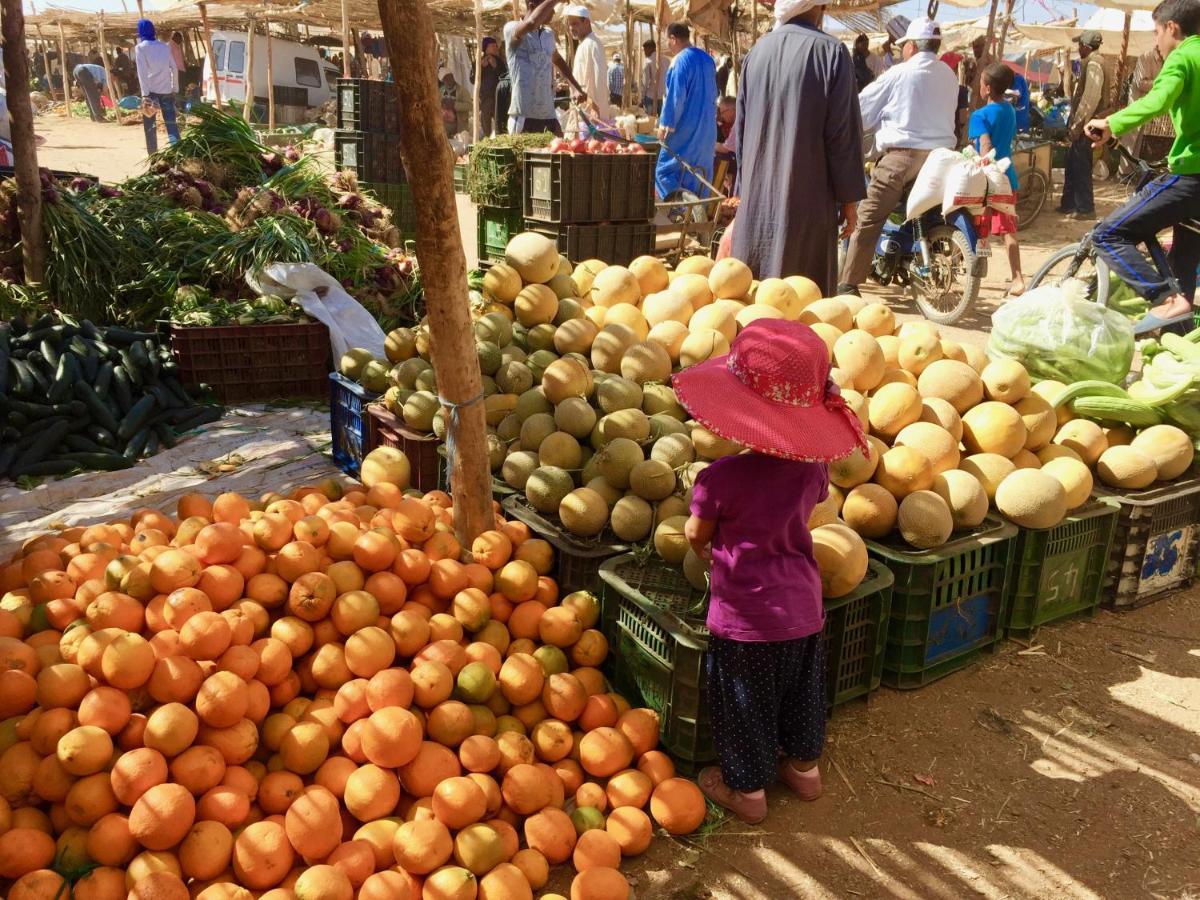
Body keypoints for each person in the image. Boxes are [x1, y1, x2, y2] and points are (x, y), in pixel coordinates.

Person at [673, 318, 868, 825]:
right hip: (803, 606)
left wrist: (704, 552)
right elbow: (807, 504)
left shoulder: (720, 478)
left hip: (747, 620)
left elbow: (696, 535)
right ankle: (805, 771)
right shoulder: (814, 470)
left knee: (744, 705)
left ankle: (747, 792)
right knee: (802, 691)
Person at [731, 0, 866, 294]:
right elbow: (842, 136)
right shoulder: (832, 52)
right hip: (807, 203)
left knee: (754, 299)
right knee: (803, 302)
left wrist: (744, 190)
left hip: (758, 204)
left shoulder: (756, 53)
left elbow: (740, 134)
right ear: (821, 8)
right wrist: (850, 199)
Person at [1085, 0, 1200, 333]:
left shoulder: (1183, 55)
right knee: (1183, 264)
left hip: (1193, 175)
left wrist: (1111, 124)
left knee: (1107, 233)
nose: (1156, 41)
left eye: (1156, 32)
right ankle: (1180, 346)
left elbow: (1156, 100)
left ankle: (1164, 299)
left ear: (1172, 29)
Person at [838, 18, 959, 296]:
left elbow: (861, 111)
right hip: (941, 159)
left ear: (912, 46)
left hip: (902, 159)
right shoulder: (949, 75)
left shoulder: (900, 73)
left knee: (867, 218)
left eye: (904, 45)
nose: (902, 50)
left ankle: (848, 284)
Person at [971, 63, 1025, 296]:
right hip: (1007, 177)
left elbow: (985, 146)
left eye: (981, 82)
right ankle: (1018, 278)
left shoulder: (979, 115)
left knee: (980, 228)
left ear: (988, 88)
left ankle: (975, 276)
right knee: (1008, 230)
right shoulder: (1010, 111)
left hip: (986, 180)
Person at [503, 0, 587, 134]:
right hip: (524, 117)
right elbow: (531, 23)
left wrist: (575, 87)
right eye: (549, 8)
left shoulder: (548, 35)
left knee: (558, 152)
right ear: (532, 6)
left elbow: (557, 59)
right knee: (526, 155)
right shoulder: (512, 29)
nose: (553, 12)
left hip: (549, 115)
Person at [655, 23, 718, 199]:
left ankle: (680, 213)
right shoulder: (707, 59)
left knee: (664, 172)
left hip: (686, 130)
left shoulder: (680, 60)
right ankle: (699, 218)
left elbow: (676, 97)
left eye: (667, 40)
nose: (667, 44)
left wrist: (665, 125)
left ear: (673, 39)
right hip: (707, 131)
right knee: (699, 176)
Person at [1059, 31, 1109, 218]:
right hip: (1085, 123)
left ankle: (1086, 208)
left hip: (1088, 124)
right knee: (1073, 163)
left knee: (1081, 166)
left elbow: (1090, 98)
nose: (1078, 48)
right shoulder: (1091, 62)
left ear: (1086, 47)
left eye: (1080, 45)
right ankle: (1069, 204)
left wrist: (1078, 124)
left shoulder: (1095, 63)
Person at [134, 19, 179, 155]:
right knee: (171, 125)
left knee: (150, 127)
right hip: (166, 91)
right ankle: (178, 153)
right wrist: (175, 88)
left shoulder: (140, 48)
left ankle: (153, 156)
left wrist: (144, 94)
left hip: (151, 92)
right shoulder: (165, 47)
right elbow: (174, 68)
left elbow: (141, 72)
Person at [566, 5, 608, 121]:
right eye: (570, 24)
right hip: (584, 109)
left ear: (587, 22)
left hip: (592, 113)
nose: (571, 28)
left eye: (575, 23)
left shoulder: (593, 44)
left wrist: (595, 106)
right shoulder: (584, 44)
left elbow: (599, 78)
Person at [475, 37, 505, 138]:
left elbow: (505, 76)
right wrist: (481, 68)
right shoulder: (478, 62)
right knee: (485, 123)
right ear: (486, 48)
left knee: (500, 123)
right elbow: (472, 79)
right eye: (493, 46)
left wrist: (495, 66)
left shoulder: (500, 61)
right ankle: (487, 141)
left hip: (499, 99)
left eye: (496, 46)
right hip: (485, 99)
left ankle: (500, 140)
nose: (496, 48)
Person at [641, 39, 666, 114]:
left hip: (650, 97)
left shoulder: (648, 61)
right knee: (660, 123)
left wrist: (642, 97)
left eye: (645, 50)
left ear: (651, 48)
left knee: (650, 122)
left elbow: (645, 82)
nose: (644, 52)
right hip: (662, 96)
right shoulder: (666, 60)